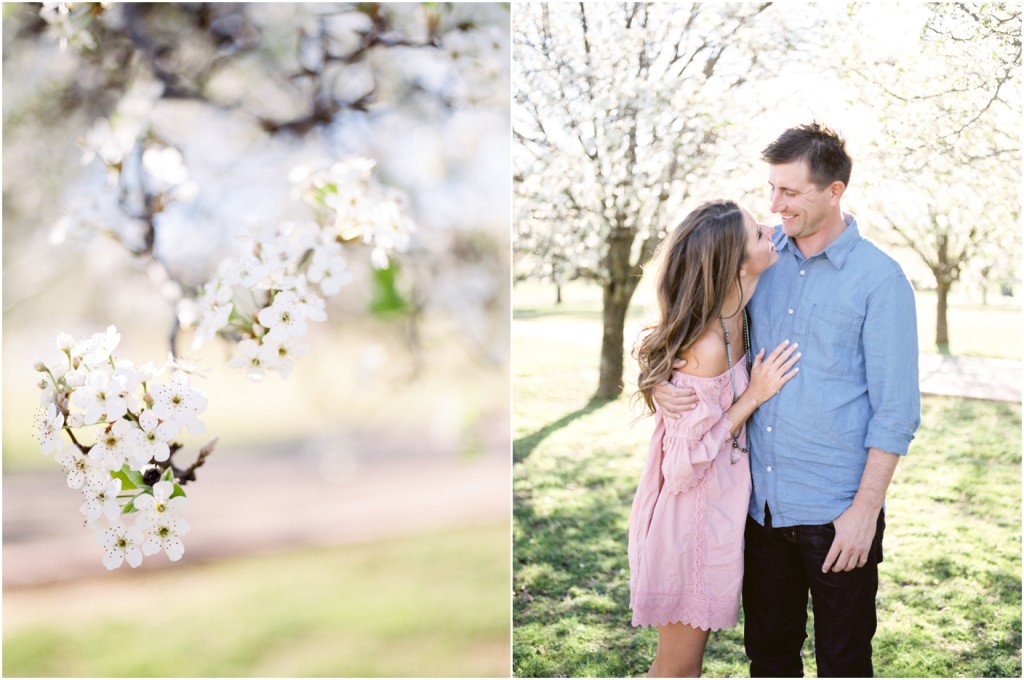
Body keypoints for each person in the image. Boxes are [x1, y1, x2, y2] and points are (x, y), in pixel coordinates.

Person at [654, 122, 921, 677]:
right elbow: (687, 310)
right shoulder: (758, 256)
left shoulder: (880, 280)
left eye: (791, 192)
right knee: (770, 659)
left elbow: (896, 412)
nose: (775, 206)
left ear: (834, 191)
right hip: (758, 509)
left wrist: (864, 513)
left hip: (837, 514)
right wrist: (659, 376)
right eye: (772, 189)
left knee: (844, 663)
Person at [628, 199, 801, 677]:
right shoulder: (705, 347)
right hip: (689, 523)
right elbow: (682, 465)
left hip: (720, 512)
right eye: (756, 232)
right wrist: (752, 397)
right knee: (679, 668)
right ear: (737, 263)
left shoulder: (739, 313)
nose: (770, 227)